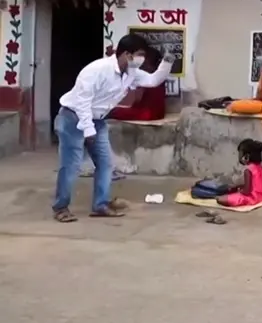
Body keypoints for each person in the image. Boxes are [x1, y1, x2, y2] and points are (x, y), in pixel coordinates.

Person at [53, 34, 174, 222]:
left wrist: (167, 62)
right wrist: (88, 129)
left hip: (97, 120)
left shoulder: (130, 73)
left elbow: (152, 81)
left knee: (106, 164)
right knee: (71, 166)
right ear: (127, 54)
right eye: (140, 55)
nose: (142, 60)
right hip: (73, 117)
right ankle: (61, 207)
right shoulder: (97, 70)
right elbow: (82, 101)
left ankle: (100, 205)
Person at [108, 47, 167, 122]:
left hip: (146, 114)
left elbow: (137, 99)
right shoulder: (159, 75)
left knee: (111, 112)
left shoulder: (144, 75)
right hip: (159, 114)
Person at [217, 139, 262, 207]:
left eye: (240, 154)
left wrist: (239, 191)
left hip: (254, 198)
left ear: (246, 156)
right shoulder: (260, 167)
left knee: (219, 199)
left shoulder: (248, 170)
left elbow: (247, 191)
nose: (239, 157)